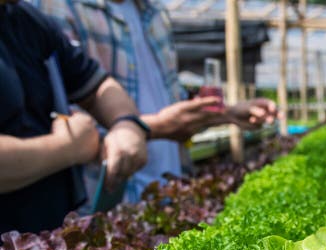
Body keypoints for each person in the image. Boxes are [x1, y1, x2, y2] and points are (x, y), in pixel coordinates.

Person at [34, 0, 279, 203]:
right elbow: (66, 125)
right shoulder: (59, 8)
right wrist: (155, 126)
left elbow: (170, 97)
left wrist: (226, 113)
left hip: (169, 185)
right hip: (114, 198)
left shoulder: (153, 12)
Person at [0, 0, 148, 233]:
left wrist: (126, 125)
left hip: (46, 246)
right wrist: (68, 148)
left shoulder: (27, 20)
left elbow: (98, 86)